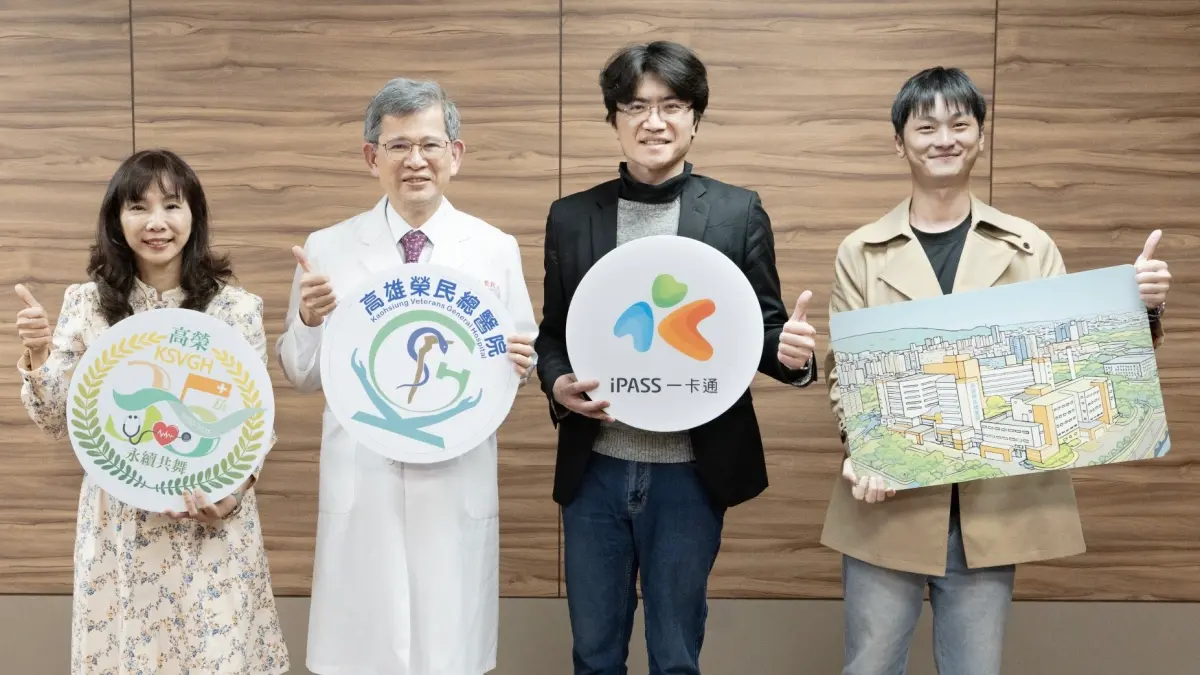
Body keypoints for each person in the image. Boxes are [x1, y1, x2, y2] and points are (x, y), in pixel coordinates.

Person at [820, 66, 1173, 675]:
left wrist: (1139, 307)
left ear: (980, 136)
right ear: (899, 142)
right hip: (888, 501)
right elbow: (844, 374)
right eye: (926, 127)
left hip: (993, 506)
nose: (944, 139)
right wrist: (863, 451)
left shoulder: (1029, 245)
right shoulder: (861, 251)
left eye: (959, 124)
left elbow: (1077, 355)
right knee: (869, 666)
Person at [534, 41, 818, 675]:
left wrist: (792, 354)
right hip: (596, 467)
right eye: (636, 106)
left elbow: (762, 333)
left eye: (671, 105)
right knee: (594, 655)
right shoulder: (571, 217)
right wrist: (556, 384)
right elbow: (554, 335)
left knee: (676, 656)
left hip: (691, 471)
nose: (653, 122)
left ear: (695, 117)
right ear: (614, 118)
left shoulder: (738, 211)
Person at [276, 77, 537, 675]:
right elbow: (300, 374)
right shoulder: (328, 247)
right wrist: (309, 321)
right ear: (372, 157)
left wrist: (519, 364)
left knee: (447, 647)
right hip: (364, 477)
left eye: (429, 144)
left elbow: (515, 361)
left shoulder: (493, 248)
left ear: (455, 154)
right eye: (397, 146)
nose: (415, 160)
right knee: (365, 646)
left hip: (454, 471)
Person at [15, 149, 289, 674]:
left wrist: (231, 497)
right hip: (121, 527)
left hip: (210, 523)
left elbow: (255, 423)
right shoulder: (86, 304)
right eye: (138, 207)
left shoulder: (235, 309)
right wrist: (39, 352)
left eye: (172, 205)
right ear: (117, 221)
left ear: (194, 216)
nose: (156, 222)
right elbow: (54, 420)